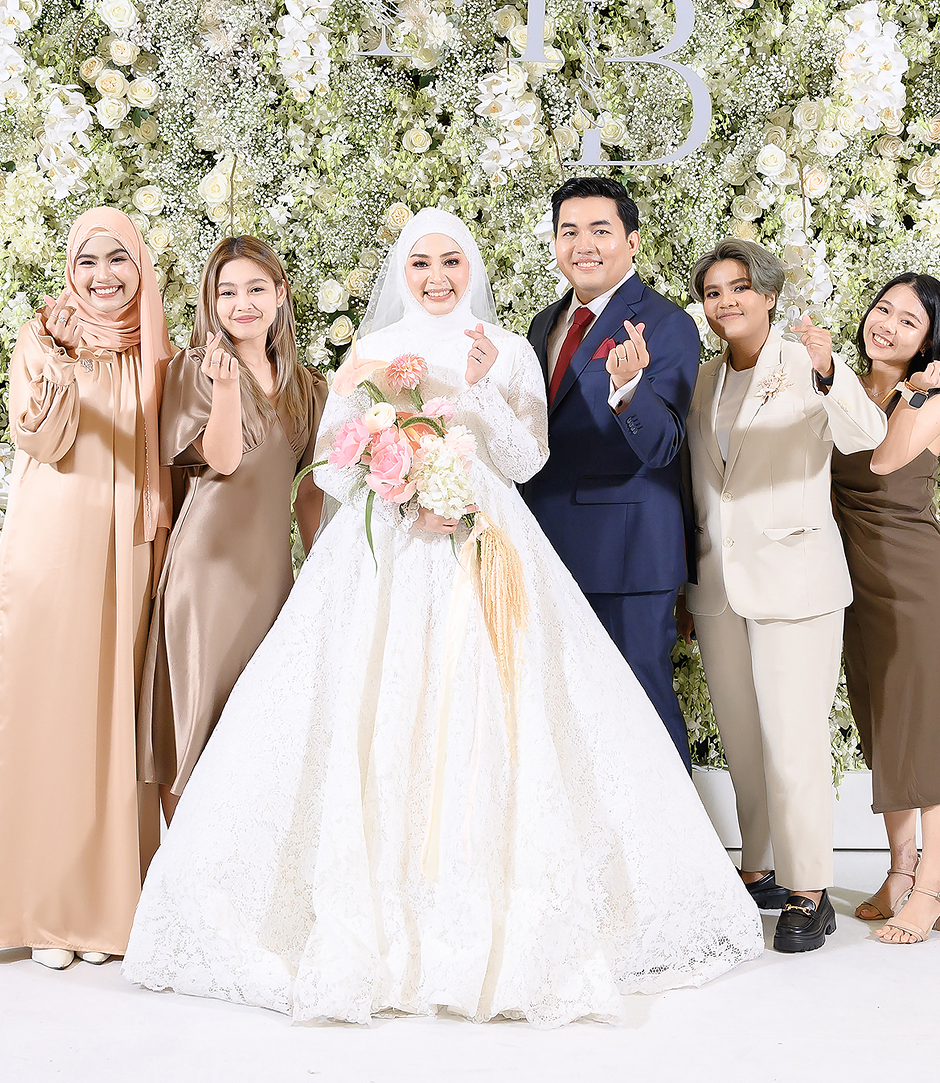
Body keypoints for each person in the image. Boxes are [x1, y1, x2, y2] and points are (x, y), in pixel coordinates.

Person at [121, 209, 761, 1026]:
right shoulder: (370, 350)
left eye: (451, 261)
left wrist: (485, 390)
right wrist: (399, 477)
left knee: (493, 712)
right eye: (421, 262)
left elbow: (526, 460)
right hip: (387, 555)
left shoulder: (510, 347)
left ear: (471, 268)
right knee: (381, 708)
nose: (435, 276)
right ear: (404, 271)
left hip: (485, 545)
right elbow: (333, 470)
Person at [0, 207, 173, 970]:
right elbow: (40, 437)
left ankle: (106, 910)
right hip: (56, 547)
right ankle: (47, 913)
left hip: (131, 551)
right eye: (88, 260)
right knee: (51, 715)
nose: (104, 275)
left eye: (119, 259)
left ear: (140, 269)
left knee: (113, 723)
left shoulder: (156, 348)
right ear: (70, 270)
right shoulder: (42, 337)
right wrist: (56, 360)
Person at [680, 239, 889, 954]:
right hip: (718, 587)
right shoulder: (705, 379)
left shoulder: (804, 364)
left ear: (769, 296)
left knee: (793, 743)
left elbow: (866, 435)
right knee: (742, 741)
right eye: (713, 292)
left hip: (796, 581)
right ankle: (761, 868)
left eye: (740, 287)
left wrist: (831, 371)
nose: (726, 301)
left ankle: (810, 891)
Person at [139, 236, 326, 825]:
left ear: (280, 294)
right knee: (198, 719)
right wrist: (225, 390)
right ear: (211, 301)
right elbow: (220, 459)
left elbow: (309, 491)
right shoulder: (195, 369)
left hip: (270, 578)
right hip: (209, 571)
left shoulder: (307, 387)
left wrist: (319, 569)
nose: (242, 304)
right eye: (227, 292)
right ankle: (180, 873)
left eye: (255, 289)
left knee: (254, 728)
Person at [520, 176, 701, 762]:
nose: (584, 245)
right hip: (546, 546)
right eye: (568, 231)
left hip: (626, 554)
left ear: (632, 242)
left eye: (600, 230)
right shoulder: (544, 324)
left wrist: (627, 390)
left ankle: (673, 826)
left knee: (641, 703)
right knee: (565, 712)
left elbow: (664, 445)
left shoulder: (667, 323)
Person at [832, 273, 940, 945]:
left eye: (908, 321)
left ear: (929, 342)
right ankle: (899, 873)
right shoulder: (841, 387)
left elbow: (885, 460)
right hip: (855, 584)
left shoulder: (934, 401)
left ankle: (933, 887)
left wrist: (914, 395)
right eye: (882, 309)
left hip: (913, 584)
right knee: (885, 728)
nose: (885, 325)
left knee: (930, 737)